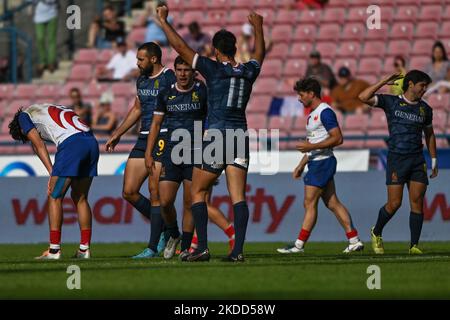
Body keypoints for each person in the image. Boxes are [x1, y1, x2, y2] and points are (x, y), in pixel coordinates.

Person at [156, 5, 265, 262]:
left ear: (216, 51)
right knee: (238, 196)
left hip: (217, 136)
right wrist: (258, 27)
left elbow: (181, 48)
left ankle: (202, 247)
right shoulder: (249, 71)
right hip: (240, 135)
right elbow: (260, 54)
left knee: (198, 193)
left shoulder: (213, 69)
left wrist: (163, 22)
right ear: (235, 49)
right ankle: (237, 251)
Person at [277, 78, 364, 255]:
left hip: (322, 162)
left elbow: (338, 138)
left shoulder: (325, 112)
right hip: (318, 161)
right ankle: (354, 240)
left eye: (301, 95)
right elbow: (313, 142)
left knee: (309, 203)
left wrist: (310, 147)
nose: (299, 99)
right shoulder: (311, 115)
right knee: (333, 203)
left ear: (311, 94)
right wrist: (301, 164)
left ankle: (299, 245)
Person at [105, 42, 176, 258]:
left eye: (140, 59)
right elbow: (137, 108)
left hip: (164, 137)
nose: (137, 63)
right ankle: (170, 230)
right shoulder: (142, 79)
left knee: (155, 192)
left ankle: (153, 247)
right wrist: (118, 133)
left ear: (153, 59)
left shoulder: (169, 77)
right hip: (144, 137)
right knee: (129, 191)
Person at [358, 70, 438, 254]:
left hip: (417, 159)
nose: (424, 89)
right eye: (422, 85)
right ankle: (376, 231)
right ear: (410, 84)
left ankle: (414, 246)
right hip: (397, 159)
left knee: (417, 201)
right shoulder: (391, 102)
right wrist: (384, 80)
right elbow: (363, 97)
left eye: (426, 86)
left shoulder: (425, 109)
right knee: (394, 204)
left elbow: (430, 134)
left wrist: (433, 159)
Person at [8, 103, 99, 259]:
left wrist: (52, 172)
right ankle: (84, 249)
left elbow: (39, 144)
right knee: (80, 198)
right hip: (91, 142)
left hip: (72, 145)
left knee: (54, 196)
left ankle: (54, 250)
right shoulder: (44, 108)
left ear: (21, 130)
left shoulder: (24, 118)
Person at [145, 56, 208, 260]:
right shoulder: (166, 93)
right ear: (175, 70)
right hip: (172, 152)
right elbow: (155, 124)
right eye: (179, 70)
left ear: (193, 72)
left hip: (195, 153)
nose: (182, 74)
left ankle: (187, 247)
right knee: (165, 201)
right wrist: (148, 152)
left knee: (190, 202)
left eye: (186, 70)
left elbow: (212, 119)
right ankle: (174, 234)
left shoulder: (202, 91)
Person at [30, 0, 59, 75]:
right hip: (40, 14)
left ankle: (51, 62)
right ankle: (43, 61)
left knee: (51, 39)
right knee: (40, 38)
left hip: (52, 12)